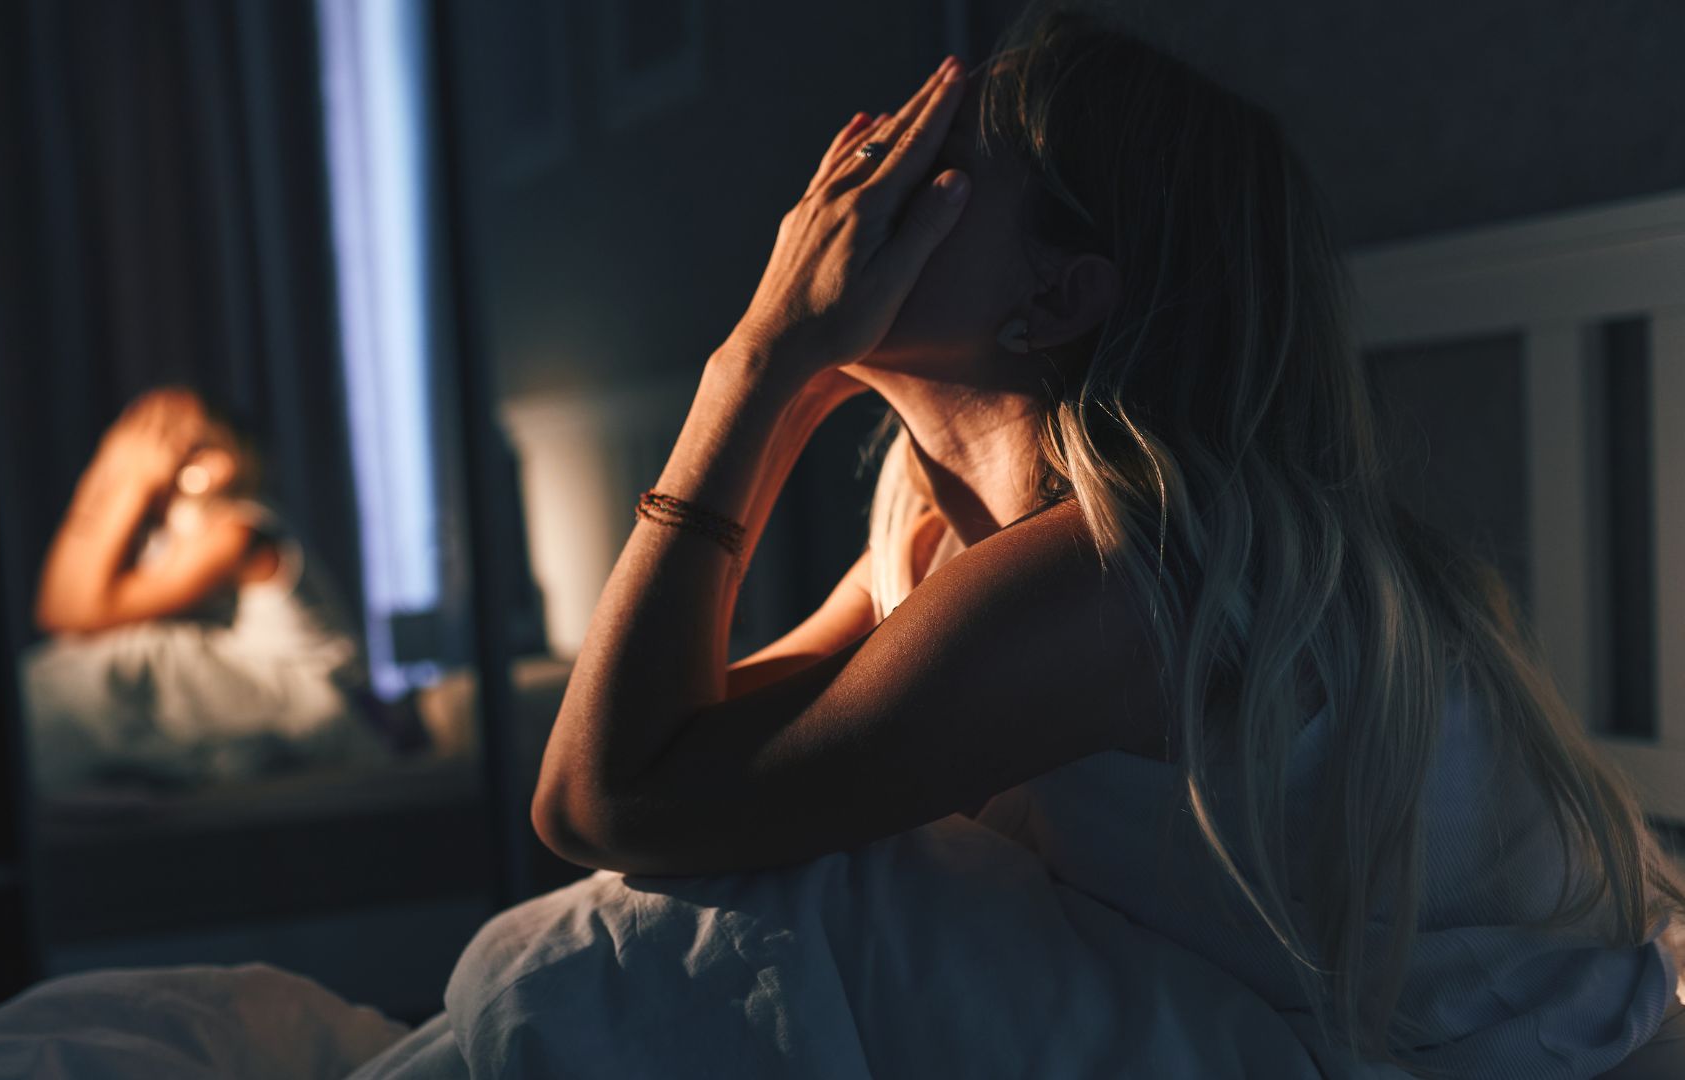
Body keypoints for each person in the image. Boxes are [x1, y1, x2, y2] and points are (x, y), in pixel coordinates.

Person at [528, 4, 1685, 1075]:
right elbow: (664, 756)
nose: (852, 192)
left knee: (779, 909)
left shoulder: (1119, 574)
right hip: (1309, 1018)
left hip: (1525, 1060)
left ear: (1062, 295)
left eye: (937, 170)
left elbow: (603, 799)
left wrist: (758, 363)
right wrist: (785, 373)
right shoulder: (939, 532)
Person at [22, 387, 376, 791]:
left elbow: (71, 611)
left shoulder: (238, 530)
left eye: (159, 431)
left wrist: (129, 484)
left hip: (314, 702)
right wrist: (106, 475)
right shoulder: (167, 537)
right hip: (255, 688)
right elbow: (62, 605)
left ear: (213, 460)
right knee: (75, 663)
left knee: (130, 662)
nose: (136, 442)